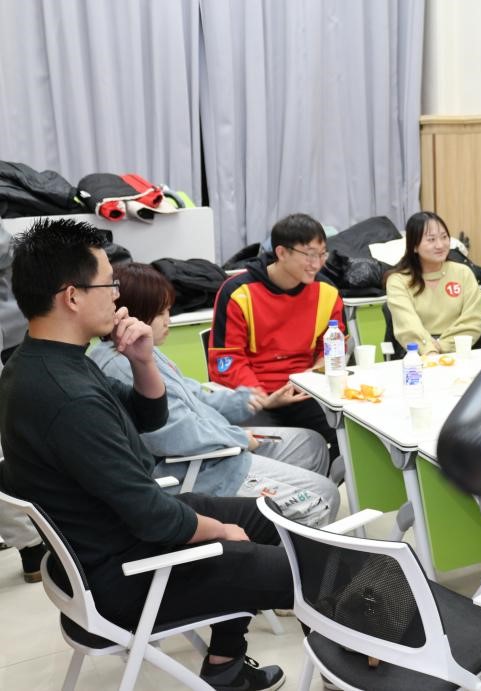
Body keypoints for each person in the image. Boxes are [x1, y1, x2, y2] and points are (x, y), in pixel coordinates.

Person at [0, 218, 289, 690]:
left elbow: (147, 416)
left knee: (269, 518)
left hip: (112, 544)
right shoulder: (66, 396)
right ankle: (361, 658)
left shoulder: (45, 361)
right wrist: (221, 533)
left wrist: (142, 359)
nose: (117, 295)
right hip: (128, 577)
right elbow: (155, 518)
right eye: (108, 284)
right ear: (72, 297)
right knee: (310, 568)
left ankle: (225, 665)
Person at [89, 262, 340, 527]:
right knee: (324, 496)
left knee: (310, 444)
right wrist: (236, 437)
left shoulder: (141, 351)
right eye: (161, 312)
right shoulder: (124, 365)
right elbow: (175, 434)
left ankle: (277, 528)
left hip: (217, 447)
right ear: (136, 312)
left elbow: (196, 395)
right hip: (200, 469)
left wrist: (252, 400)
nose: (168, 320)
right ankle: (279, 537)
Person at [208, 213, 345, 458]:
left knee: (347, 436)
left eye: (322, 254)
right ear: (281, 252)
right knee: (270, 451)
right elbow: (227, 360)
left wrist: (310, 379)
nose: (317, 264)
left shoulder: (327, 291)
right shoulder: (238, 292)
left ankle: (330, 479)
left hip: (304, 392)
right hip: (256, 397)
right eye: (309, 254)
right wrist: (264, 397)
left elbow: (332, 349)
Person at [385, 211, 481, 355]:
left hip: (459, 350)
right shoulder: (398, 281)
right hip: (416, 353)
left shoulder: (463, 273)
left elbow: (472, 321)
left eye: (444, 237)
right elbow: (408, 327)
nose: (440, 245)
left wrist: (442, 346)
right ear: (414, 246)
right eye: (431, 239)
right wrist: (429, 351)